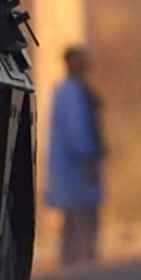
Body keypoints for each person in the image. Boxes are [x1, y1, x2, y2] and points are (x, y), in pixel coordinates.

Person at [47, 46, 106, 265]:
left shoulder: (62, 90)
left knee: (71, 215)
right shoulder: (73, 92)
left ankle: (71, 259)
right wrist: (89, 159)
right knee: (84, 214)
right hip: (77, 167)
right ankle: (84, 258)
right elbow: (78, 130)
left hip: (66, 167)